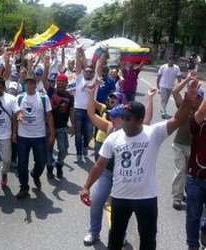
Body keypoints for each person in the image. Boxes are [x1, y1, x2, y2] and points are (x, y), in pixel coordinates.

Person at [80, 80, 197, 250]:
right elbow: (99, 165)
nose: (123, 121)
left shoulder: (153, 133)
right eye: (122, 117)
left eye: (128, 118)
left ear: (140, 120)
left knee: (148, 239)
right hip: (120, 197)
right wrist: (86, 186)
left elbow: (178, 119)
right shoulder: (114, 137)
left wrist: (187, 102)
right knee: (115, 237)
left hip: (146, 198)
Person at [83, 82, 157, 246]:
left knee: (122, 211)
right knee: (97, 200)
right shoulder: (109, 126)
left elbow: (147, 119)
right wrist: (90, 93)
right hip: (108, 173)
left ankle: (120, 234)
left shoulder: (137, 129)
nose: (112, 118)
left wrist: (150, 98)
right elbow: (91, 114)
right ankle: (93, 232)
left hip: (124, 176)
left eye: (115, 116)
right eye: (114, 116)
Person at [13, 76, 54, 199]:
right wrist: (14, 132)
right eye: (27, 84)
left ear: (35, 85)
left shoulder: (43, 97)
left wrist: (52, 134)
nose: (29, 86)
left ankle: (35, 174)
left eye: (31, 84)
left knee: (42, 161)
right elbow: (16, 113)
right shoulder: (20, 97)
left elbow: (49, 116)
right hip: (23, 136)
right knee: (22, 164)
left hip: (39, 136)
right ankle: (24, 187)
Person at [170, 73, 199, 211]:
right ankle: (177, 197)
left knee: (190, 173)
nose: (195, 99)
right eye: (193, 96)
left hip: (194, 147)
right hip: (179, 144)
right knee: (180, 169)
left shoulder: (201, 112)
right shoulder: (183, 106)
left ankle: (188, 194)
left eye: (198, 97)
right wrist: (187, 79)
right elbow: (175, 91)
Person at [185, 83, 206, 250]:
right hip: (196, 179)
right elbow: (200, 112)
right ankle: (192, 245)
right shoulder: (198, 125)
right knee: (193, 216)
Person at [45, 73, 74, 179]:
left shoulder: (70, 96)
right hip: (49, 126)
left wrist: (73, 126)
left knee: (63, 149)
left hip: (62, 127)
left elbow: (71, 111)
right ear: (57, 83)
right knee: (48, 149)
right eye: (59, 83)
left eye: (63, 83)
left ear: (66, 83)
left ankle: (59, 164)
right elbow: (44, 80)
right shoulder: (51, 91)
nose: (61, 85)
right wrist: (47, 67)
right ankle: (49, 167)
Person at [73, 46, 97, 164]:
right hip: (78, 110)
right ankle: (78, 154)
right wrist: (79, 51)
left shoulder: (95, 79)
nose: (88, 72)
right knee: (78, 133)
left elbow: (91, 64)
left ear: (93, 72)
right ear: (83, 72)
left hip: (90, 111)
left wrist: (102, 52)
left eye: (90, 71)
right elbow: (79, 64)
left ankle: (85, 146)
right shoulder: (79, 78)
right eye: (86, 71)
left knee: (88, 133)